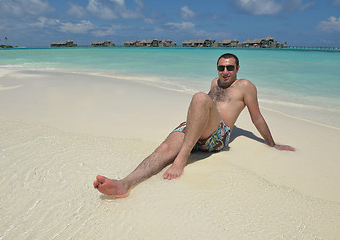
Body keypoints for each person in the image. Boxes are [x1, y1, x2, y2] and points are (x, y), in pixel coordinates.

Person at [93, 53, 295, 198]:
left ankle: (181, 159)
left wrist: (272, 144)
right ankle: (124, 184)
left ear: (237, 69)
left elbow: (256, 117)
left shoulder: (246, 87)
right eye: (221, 67)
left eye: (230, 67)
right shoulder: (214, 83)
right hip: (196, 129)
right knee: (163, 149)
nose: (225, 72)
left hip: (218, 135)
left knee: (199, 97)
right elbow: (204, 109)